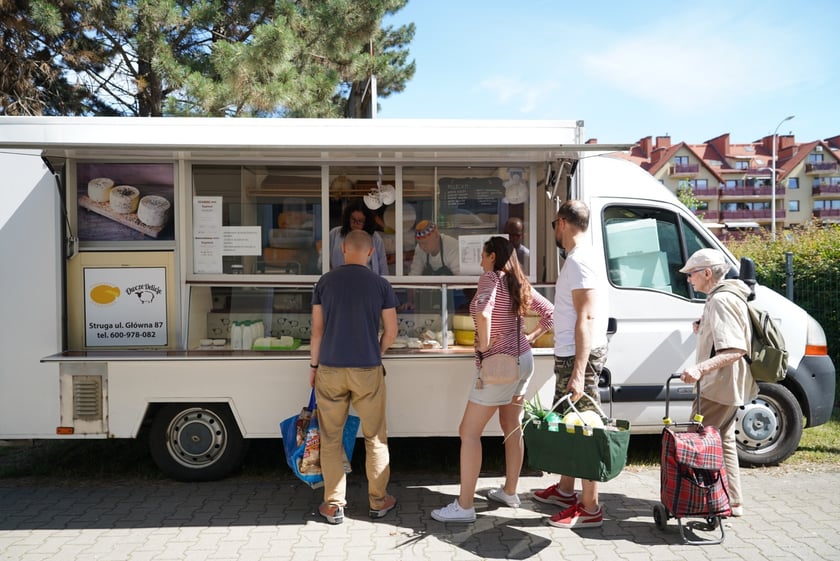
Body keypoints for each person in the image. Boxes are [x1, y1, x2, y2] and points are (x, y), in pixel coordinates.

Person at [431, 236, 553, 522]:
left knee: (469, 432)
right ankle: (510, 491)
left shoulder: (489, 279)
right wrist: (531, 338)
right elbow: (549, 312)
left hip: (498, 367)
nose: (481, 260)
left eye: (483, 255)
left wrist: (484, 345)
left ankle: (464, 506)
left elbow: (484, 314)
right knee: (512, 426)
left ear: (491, 257)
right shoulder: (517, 282)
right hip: (523, 361)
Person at [309, 229, 399, 525]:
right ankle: (378, 501)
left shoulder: (325, 282)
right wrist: (378, 350)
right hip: (367, 369)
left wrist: (313, 366)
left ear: (343, 249)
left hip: (330, 369)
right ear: (371, 252)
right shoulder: (380, 284)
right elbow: (392, 330)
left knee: (331, 438)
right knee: (375, 438)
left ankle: (334, 505)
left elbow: (317, 331)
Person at [532, 199, 610, 529]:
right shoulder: (579, 258)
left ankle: (590, 506)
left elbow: (586, 318)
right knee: (568, 425)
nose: (554, 230)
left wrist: (578, 373)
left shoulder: (579, 262)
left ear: (562, 223)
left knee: (586, 428)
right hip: (573, 356)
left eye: (553, 224)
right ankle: (566, 491)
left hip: (581, 358)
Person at [679, 248, 756, 518]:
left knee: (697, 440)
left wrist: (700, 368)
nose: (689, 279)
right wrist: (706, 326)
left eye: (692, 274)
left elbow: (735, 349)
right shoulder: (725, 295)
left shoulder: (721, 299)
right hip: (729, 387)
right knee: (723, 442)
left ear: (707, 273)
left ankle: (700, 500)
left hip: (718, 387)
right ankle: (733, 502)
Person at [328, 199, 388, 274]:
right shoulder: (335, 234)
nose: (356, 223)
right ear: (348, 218)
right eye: (353, 219)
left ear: (366, 221)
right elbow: (324, 262)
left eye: (360, 221)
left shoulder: (375, 238)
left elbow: (383, 267)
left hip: (367, 281)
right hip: (339, 279)